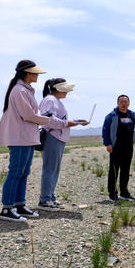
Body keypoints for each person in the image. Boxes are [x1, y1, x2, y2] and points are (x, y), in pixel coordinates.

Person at [0, 60, 72, 222]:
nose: (37, 76)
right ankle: (7, 208)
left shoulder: (25, 90)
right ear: (28, 73)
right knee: (16, 172)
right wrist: (48, 120)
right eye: (35, 73)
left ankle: (19, 204)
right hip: (20, 137)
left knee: (23, 172)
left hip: (27, 137)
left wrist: (43, 119)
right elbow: (28, 115)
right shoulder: (19, 91)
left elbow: (30, 115)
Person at [38, 78, 84, 211]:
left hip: (57, 137)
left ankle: (50, 197)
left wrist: (75, 121)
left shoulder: (54, 101)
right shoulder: (50, 100)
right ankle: (45, 200)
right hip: (53, 137)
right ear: (58, 88)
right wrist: (67, 123)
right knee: (50, 169)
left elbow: (56, 118)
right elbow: (48, 120)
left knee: (54, 169)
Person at [102, 95, 135, 202]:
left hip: (128, 147)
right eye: (121, 101)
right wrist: (108, 144)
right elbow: (105, 130)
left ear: (128, 103)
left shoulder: (132, 115)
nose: (123, 103)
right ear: (118, 103)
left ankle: (124, 193)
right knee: (114, 171)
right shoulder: (112, 116)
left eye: (125, 101)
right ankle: (112, 194)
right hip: (116, 147)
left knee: (125, 171)